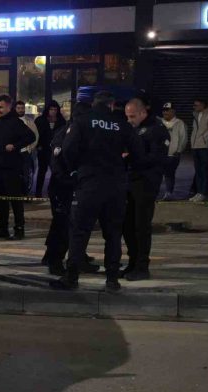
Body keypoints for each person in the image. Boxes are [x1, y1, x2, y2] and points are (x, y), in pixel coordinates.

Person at [50, 91, 146, 292]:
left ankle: (72, 277)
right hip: (115, 186)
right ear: (112, 105)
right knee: (113, 234)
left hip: (89, 184)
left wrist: (76, 172)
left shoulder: (83, 122)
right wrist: (124, 168)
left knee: (79, 232)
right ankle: (112, 279)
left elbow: (67, 150)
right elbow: (139, 155)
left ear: (95, 104)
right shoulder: (122, 125)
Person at [42, 102, 99, 276]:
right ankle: (54, 260)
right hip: (63, 187)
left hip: (73, 186)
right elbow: (57, 163)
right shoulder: (65, 134)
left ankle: (75, 257)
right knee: (62, 224)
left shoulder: (79, 133)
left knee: (73, 225)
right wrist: (72, 178)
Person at [122, 98, 170, 281]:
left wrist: (131, 157)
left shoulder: (157, 130)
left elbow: (157, 158)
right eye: (127, 116)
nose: (129, 120)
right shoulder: (133, 129)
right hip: (130, 181)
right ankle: (133, 262)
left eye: (132, 116)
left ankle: (142, 266)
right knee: (127, 225)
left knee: (141, 226)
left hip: (146, 183)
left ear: (143, 113)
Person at [0, 95, 35, 240]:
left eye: (1, 107)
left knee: (15, 199)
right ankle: (2, 227)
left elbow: (30, 137)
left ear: (9, 106)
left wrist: (15, 146)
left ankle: (19, 228)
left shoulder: (16, 123)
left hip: (12, 167)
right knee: (1, 199)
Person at [34, 100, 67, 197]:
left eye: (55, 109)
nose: (53, 111)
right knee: (42, 171)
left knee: (55, 171)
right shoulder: (40, 120)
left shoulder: (61, 121)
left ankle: (52, 190)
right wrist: (38, 146)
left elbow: (64, 135)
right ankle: (38, 192)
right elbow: (36, 134)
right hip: (43, 149)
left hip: (55, 150)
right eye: (51, 109)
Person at [189, 98, 208, 201]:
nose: (194, 107)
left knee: (204, 170)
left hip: (205, 147)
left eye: (196, 105)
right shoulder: (196, 115)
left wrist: (205, 138)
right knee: (198, 171)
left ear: (203, 105)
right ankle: (199, 192)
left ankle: (203, 192)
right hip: (195, 146)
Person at [159, 102, 188, 200]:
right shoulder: (159, 122)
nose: (165, 112)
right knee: (156, 174)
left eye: (167, 110)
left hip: (172, 154)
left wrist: (179, 150)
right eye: (164, 110)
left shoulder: (180, 123)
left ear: (173, 111)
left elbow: (183, 138)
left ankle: (168, 193)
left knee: (169, 174)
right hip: (159, 154)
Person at [15, 101, 40, 195]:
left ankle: (25, 194)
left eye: (22, 108)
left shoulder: (30, 122)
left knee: (26, 175)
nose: (21, 110)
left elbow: (36, 136)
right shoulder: (11, 121)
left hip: (26, 152)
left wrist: (31, 147)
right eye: (19, 108)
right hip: (14, 153)